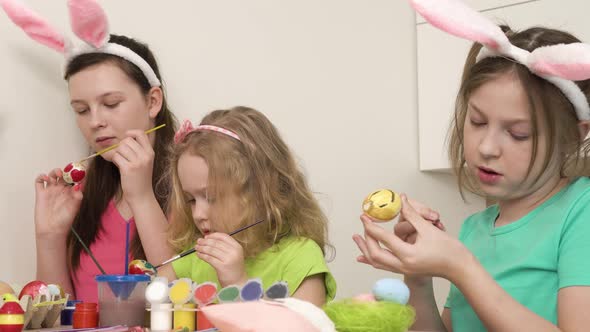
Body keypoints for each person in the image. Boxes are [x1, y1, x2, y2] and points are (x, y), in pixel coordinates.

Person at [354, 0, 590, 331]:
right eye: (477, 121)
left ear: (571, 138)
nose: (487, 147)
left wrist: (460, 266)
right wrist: (418, 277)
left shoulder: (582, 213)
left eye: (518, 133)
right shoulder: (476, 229)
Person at [1, 0, 177, 302]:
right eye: (81, 110)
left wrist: (142, 197)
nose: (95, 121)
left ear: (153, 102)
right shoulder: (80, 193)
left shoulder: (193, 185)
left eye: (110, 104)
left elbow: (188, 298)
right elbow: (58, 316)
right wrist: (50, 237)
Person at [164, 106, 336, 306]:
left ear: (258, 191)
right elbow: (149, 299)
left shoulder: (300, 258)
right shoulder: (197, 256)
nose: (198, 214)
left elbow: (308, 326)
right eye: (191, 200)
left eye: (211, 197)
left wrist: (238, 283)